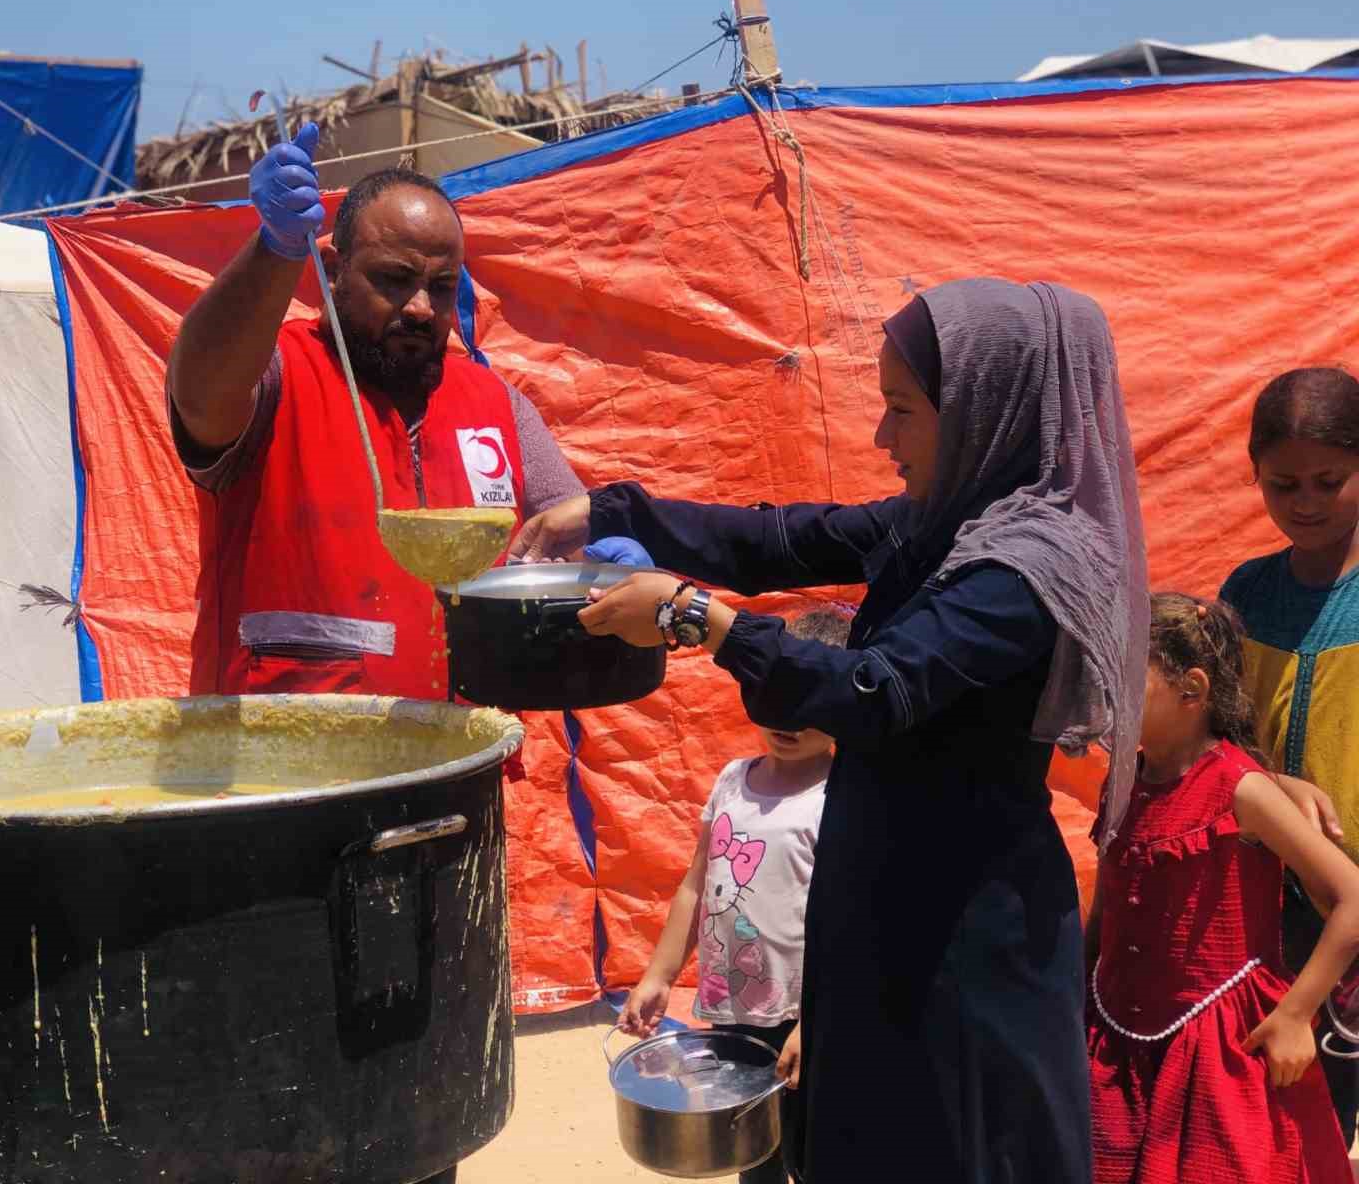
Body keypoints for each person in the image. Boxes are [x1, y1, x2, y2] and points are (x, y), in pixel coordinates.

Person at [513, 278, 1152, 1182]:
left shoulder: (1025, 570)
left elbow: (873, 688)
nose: (879, 438)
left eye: (901, 411)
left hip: (967, 938)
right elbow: (783, 540)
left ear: (985, 410)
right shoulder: (942, 525)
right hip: (884, 900)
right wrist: (618, 514)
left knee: (954, 1149)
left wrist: (696, 619)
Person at [165, 124, 583, 699]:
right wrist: (274, 248)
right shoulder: (274, 375)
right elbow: (199, 394)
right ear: (334, 269)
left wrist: (603, 553)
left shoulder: (496, 404)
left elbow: (567, 536)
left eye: (440, 286)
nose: (419, 307)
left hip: (460, 758)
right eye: (393, 279)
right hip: (284, 760)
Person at [1086, 593, 1359, 1183]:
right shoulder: (1122, 780)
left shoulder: (1244, 790)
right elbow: (1106, 913)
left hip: (1219, 1055)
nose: (1106, 693)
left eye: (1126, 676)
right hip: (1116, 1047)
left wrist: (1295, 1016)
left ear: (1192, 690)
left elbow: (1354, 899)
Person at [618, 604, 853, 1184]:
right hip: (732, 1010)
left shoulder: (841, 802)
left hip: (804, 1017)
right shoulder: (731, 781)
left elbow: (853, 927)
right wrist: (659, 974)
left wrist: (816, 1023)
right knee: (753, 1150)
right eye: (777, 696)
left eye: (810, 702)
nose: (789, 719)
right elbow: (696, 885)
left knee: (817, 1148)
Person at [1219, 366, 1359, 1141]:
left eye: (1328, 481)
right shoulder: (1249, 590)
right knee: (1294, 1106)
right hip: (1274, 898)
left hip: (1355, 897)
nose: (1304, 503)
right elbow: (1222, 735)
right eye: (1283, 485)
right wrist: (1271, 781)